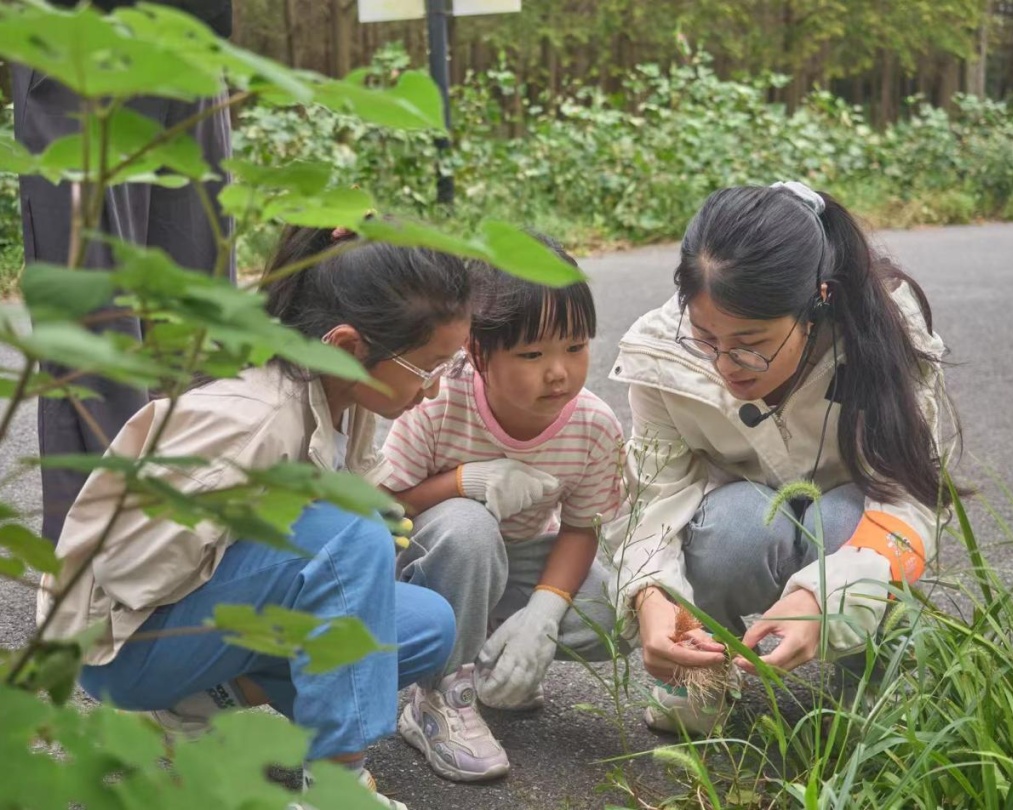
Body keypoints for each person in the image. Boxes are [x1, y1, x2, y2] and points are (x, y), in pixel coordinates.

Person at [35, 227, 474, 809]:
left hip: (191, 629)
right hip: (122, 647)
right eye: (429, 367)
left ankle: (189, 707)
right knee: (350, 536)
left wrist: (329, 534)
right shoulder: (253, 420)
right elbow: (125, 572)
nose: (435, 388)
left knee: (425, 626)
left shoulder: (346, 397)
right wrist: (300, 536)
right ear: (348, 347)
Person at [604, 181, 955, 736]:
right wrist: (651, 595)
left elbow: (910, 498)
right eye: (705, 337)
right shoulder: (659, 356)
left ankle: (869, 682)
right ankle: (698, 673)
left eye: (752, 343)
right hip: (740, 518)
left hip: (851, 522)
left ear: (816, 303)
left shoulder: (887, 333)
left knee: (841, 521)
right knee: (733, 525)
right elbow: (652, 503)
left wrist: (825, 597)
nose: (726, 364)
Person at [382, 242, 625, 782]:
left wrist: (542, 615)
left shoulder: (593, 425)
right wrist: (463, 482)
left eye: (575, 346)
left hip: (517, 560)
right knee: (470, 527)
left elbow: (580, 528)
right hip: (432, 565)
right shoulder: (439, 400)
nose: (559, 373)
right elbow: (384, 505)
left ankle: (500, 655)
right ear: (477, 351)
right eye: (532, 355)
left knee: (617, 609)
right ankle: (440, 696)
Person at [13, 0, 234, 543]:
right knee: (95, 324)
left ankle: (198, 538)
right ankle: (96, 556)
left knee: (197, 315)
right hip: (76, 37)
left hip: (190, 30)